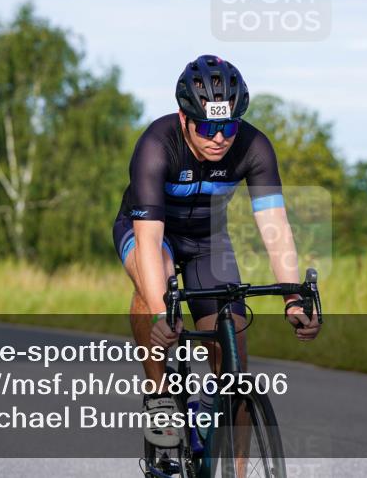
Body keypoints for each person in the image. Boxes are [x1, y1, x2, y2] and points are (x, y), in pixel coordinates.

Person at [112, 54, 321, 448]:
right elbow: (150, 241)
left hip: (208, 241)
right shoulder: (157, 145)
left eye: (228, 126)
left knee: (233, 354)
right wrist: (162, 312)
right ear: (184, 118)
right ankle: (160, 400)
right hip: (150, 234)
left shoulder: (254, 146)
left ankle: (227, 448)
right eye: (208, 126)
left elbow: (275, 227)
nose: (219, 138)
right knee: (154, 283)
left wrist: (293, 297)